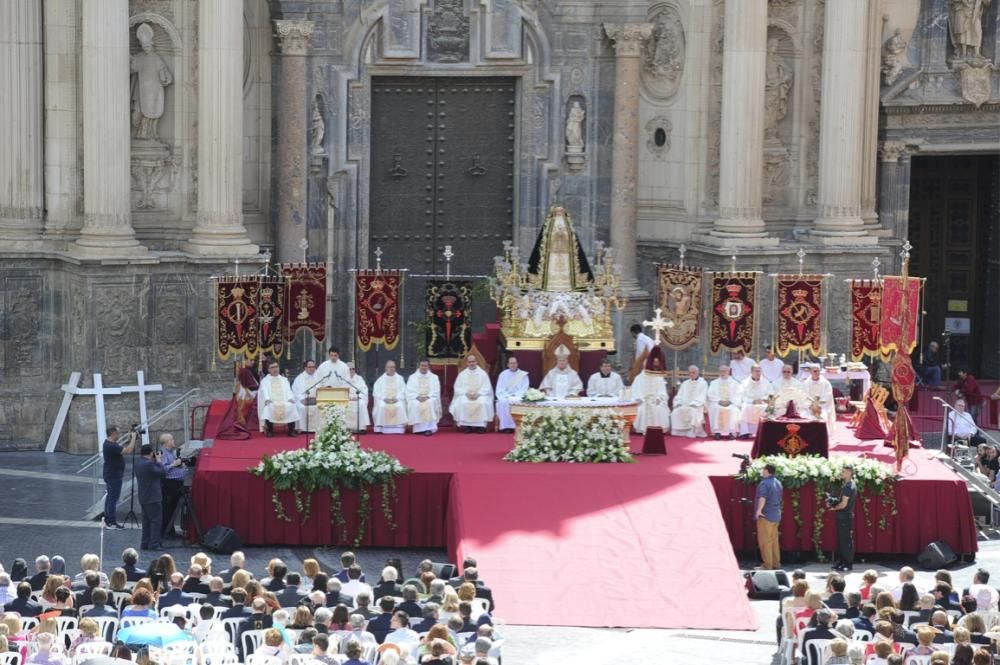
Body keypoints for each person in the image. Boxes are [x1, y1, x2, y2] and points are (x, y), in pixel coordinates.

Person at [135, 443, 168, 551]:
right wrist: (158, 461)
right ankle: (154, 544)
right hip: (153, 497)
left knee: (146, 522)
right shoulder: (149, 464)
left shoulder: (139, 462)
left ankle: (145, 543)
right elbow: (162, 472)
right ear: (150, 453)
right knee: (156, 521)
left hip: (143, 496)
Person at [630, 346, 671, 434]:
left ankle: (657, 429)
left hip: (655, 401)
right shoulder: (639, 378)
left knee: (659, 408)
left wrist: (659, 399)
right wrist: (639, 400)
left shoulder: (658, 377)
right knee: (641, 409)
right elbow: (634, 392)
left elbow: (662, 393)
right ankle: (642, 429)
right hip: (643, 402)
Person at [449, 355, 494, 433]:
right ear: (467, 363)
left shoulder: (483, 374)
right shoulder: (462, 374)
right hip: (466, 395)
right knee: (463, 402)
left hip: (480, 395)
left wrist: (478, 394)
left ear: (476, 362)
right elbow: (457, 387)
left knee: (482, 403)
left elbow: (487, 387)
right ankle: (467, 426)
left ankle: (481, 426)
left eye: (473, 361)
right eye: (469, 362)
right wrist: (466, 393)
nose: (471, 363)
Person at [102, 425, 135, 529]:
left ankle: (108, 520)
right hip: (113, 476)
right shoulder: (111, 446)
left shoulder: (110, 443)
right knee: (113, 499)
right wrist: (133, 438)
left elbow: (122, 448)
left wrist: (129, 439)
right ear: (113, 433)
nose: (119, 435)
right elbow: (128, 450)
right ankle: (111, 522)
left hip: (111, 474)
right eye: (118, 433)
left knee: (110, 498)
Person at [259, 361, 300, 437]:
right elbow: (264, 391)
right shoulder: (265, 381)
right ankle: (270, 430)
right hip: (272, 401)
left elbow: (288, 390)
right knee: (269, 407)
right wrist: (267, 399)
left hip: (284, 401)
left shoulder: (284, 379)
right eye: (272, 367)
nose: (275, 369)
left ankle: (291, 430)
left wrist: (290, 398)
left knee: (292, 406)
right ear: (268, 370)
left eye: (276, 367)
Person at [157, 433, 186, 539]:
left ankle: (170, 530)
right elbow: (163, 469)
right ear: (167, 442)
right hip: (169, 484)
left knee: (173, 508)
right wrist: (174, 464)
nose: (174, 441)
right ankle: (166, 531)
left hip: (177, 483)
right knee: (168, 508)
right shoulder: (163, 453)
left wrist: (180, 464)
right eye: (172, 440)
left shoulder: (172, 452)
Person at [755, 463, 783, 570]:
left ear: (767, 471)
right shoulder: (778, 483)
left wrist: (759, 510)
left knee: (765, 541)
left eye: (763, 470)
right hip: (776, 514)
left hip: (766, 515)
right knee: (774, 541)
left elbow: (762, 498)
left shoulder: (764, 483)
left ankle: (767, 565)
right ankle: (776, 563)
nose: (762, 471)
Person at [829, 465, 857, 571]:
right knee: (842, 541)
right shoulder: (851, 485)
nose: (842, 473)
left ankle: (847, 564)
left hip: (844, 517)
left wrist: (834, 508)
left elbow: (844, 504)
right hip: (845, 517)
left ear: (849, 473)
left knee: (845, 541)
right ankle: (841, 562)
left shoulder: (848, 486)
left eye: (844, 471)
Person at [406, 360, 442, 436]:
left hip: (429, 398)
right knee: (415, 404)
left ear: (428, 366)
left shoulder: (434, 377)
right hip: (416, 398)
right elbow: (409, 390)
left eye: (425, 366)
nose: (424, 367)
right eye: (422, 365)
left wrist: (428, 397)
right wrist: (417, 397)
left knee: (430, 403)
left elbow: (436, 391)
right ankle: (418, 429)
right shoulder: (412, 377)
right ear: (419, 366)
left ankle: (428, 429)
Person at [494, 356, 529, 433]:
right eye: (511, 363)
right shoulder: (503, 375)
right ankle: (505, 427)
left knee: (517, 402)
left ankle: (517, 426)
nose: (513, 365)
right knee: (503, 403)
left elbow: (524, 389)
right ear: (508, 364)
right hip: (505, 396)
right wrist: (507, 396)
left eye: (514, 363)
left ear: (517, 364)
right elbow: (500, 389)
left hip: (518, 396)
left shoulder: (523, 375)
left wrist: (515, 395)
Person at [671, 365, 707, 437]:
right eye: (690, 373)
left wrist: (694, 403)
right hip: (684, 404)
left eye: (693, 372)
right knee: (676, 411)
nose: (691, 374)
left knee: (693, 410)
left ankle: (693, 431)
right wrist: (678, 403)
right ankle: (679, 431)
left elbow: (703, 395)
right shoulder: (685, 383)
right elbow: (680, 395)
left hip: (696, 405)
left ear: (697, 373)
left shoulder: (703, 383)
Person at [707, 364, 742, 439]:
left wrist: (730, 401)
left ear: (728, 372)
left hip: (731, 403)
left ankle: (732, 432)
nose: (722, 373)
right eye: (721, 371)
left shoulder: (735, 383)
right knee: (715, 408)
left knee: (732, 409)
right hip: (718, 403)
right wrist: (719, 401)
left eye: (724, 371)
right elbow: (710, 394)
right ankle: (717, 432)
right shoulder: (714, 383)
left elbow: (738, 395)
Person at [373, 361, 408, 434]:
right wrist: (384, 398)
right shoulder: (380, 380)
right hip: (384, 400)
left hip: (396, 400)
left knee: (400, 406)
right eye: (390, 367)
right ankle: (381, 428)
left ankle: (398, 428)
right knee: (381, 406)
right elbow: (376, 392)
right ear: (386, 368)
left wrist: (397, 398)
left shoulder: (400, 378)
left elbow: (403, 391)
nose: (392, 369)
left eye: (393, 367)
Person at [740, 365, 774, 438]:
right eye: (756, 371)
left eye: (759, 371)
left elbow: (770, 393)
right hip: (749, 403)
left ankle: (764, 431)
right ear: (751, 372)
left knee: (767, 409)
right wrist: (752, 401)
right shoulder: (744, 382)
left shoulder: (766, 382)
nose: (758, 373)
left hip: (762, 403)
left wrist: (761, 400)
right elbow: (741, 395)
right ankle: (745, 432)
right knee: (745, 408)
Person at [292, 360, 322, 433]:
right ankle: (302, 428)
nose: (312, 369)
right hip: (304, 400)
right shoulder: (299, 378)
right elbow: (295, 393)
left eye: (313, 367)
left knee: (323, 407)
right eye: (310, 367)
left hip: (317, 400)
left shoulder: (319, 377)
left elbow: (322, 389)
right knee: (301, 408)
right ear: (305, 368)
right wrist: (302, 399)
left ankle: (319, 428)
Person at [803, 364, 835, 428]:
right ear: (811, 372)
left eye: (818, 371)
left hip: (822, 407)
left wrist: (818, 406)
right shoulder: (806, 383)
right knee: (804, 416)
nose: (817, 373)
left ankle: (822, 436)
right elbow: (803, 397)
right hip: (809, 407)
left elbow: (828, 397)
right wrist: (811, 406)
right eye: (815, 371)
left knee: (823, 416)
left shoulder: (826, 383)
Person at [345, 362, 372, 433]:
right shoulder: (343, 379)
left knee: (362, 404)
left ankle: (361, 428)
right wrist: (349, 397)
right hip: (347, 399)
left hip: (358, 399)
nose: (351, 370)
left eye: (353, 368)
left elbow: (364, 390)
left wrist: (358, 397)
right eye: (349, 369)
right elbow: (341, 391)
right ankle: (346, 427)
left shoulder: (359, 378)